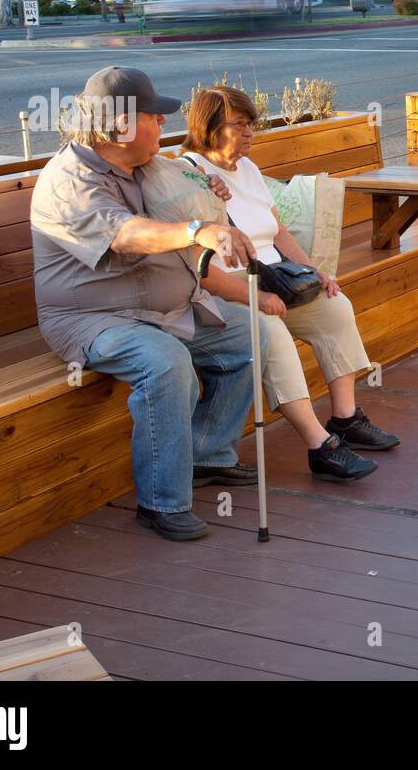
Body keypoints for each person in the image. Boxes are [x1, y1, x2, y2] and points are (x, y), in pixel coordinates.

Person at [30, 66, 265, 542]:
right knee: (165, 364)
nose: (163, 123)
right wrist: (197, 230)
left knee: (248, 336)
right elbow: (126, 235)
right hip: (93, 319)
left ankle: (207, 453)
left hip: (168, 309)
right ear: (121, 126)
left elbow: (186, 195)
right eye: (154, 116)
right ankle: (161, 502)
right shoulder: (69, 182)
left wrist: (210, 194)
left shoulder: (146, 165)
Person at [182, 86, 398, 482]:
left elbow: (277, 231)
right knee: (272, 335)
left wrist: (314, 270)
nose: (249, 133)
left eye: (252, 124)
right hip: (227, 289)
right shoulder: (192, 174)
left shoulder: (246, 168)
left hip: (272, 279)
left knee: (335, 307)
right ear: (209, 127)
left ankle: (345, 418)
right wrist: (258, 298)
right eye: (239, 125)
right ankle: (320, 446)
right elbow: (201, 267)